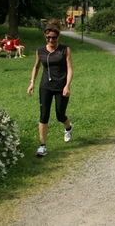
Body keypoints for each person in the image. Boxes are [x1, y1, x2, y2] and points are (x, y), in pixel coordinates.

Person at [27, 19, 74, 157]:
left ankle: (69, 127)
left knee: (60, 115)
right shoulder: (40, 51)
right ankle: (42, 146)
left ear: (58, 37)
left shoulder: (65, 50)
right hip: (45, 86)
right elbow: (36, 67)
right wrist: (32, 82)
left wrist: (67, 85)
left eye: (53, 37)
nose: (51, 40)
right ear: (45, 37)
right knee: (44, 115)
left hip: (61, 86)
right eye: (48, 38)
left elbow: (70, 69)